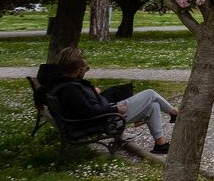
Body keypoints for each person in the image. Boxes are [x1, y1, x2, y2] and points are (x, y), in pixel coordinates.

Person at [46, 46, 179, 154]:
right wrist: (114, 108)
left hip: (103, 114)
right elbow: (89, 111)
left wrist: (94, 93)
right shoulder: (71, 89)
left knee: (154, 105)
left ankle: (160, 144)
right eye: (85, 69)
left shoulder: (62, 82)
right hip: (106, 119)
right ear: (77, 70)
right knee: (150, 93)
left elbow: (84, 106)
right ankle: (174, 112)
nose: (85, 71)